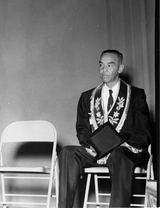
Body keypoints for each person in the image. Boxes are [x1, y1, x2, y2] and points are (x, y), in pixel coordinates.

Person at [58, 49, 151, 208]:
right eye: (101, 65)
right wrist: (99, 146)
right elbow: (82, 130)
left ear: (120, 69)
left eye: (110, 65)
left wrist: (116, 144)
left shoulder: (135, 95)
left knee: (118, 154)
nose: (104, 70)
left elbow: (143, 134)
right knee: (68, 152)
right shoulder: (87, 97)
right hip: (96, 150)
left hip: (126, 152)